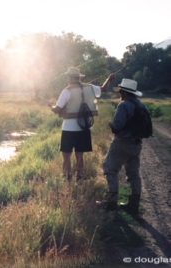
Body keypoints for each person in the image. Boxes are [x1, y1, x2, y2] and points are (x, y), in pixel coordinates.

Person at [48, 67, 115, 182]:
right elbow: (103, 89)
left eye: (67, 76)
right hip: (85, 127)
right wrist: (109, 78)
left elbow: (57, 110)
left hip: (69, 128)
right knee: (80, 155)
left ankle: (67, 178)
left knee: (66, 155)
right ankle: (79, 177)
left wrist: (50, 106)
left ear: (69, 77)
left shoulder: (67, 91)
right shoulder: (91, 88)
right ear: (79, 77)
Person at [99, 78, 145, 215]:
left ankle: (111, 202)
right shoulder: (140, 105)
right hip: (136, 144)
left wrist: (110, 124)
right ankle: (134, 204)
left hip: (122, 143)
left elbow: (117, 126)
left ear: (123, 92)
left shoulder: (123, 105)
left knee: (109, 168)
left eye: (121, 92)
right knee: (134, 174)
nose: (120, 94)